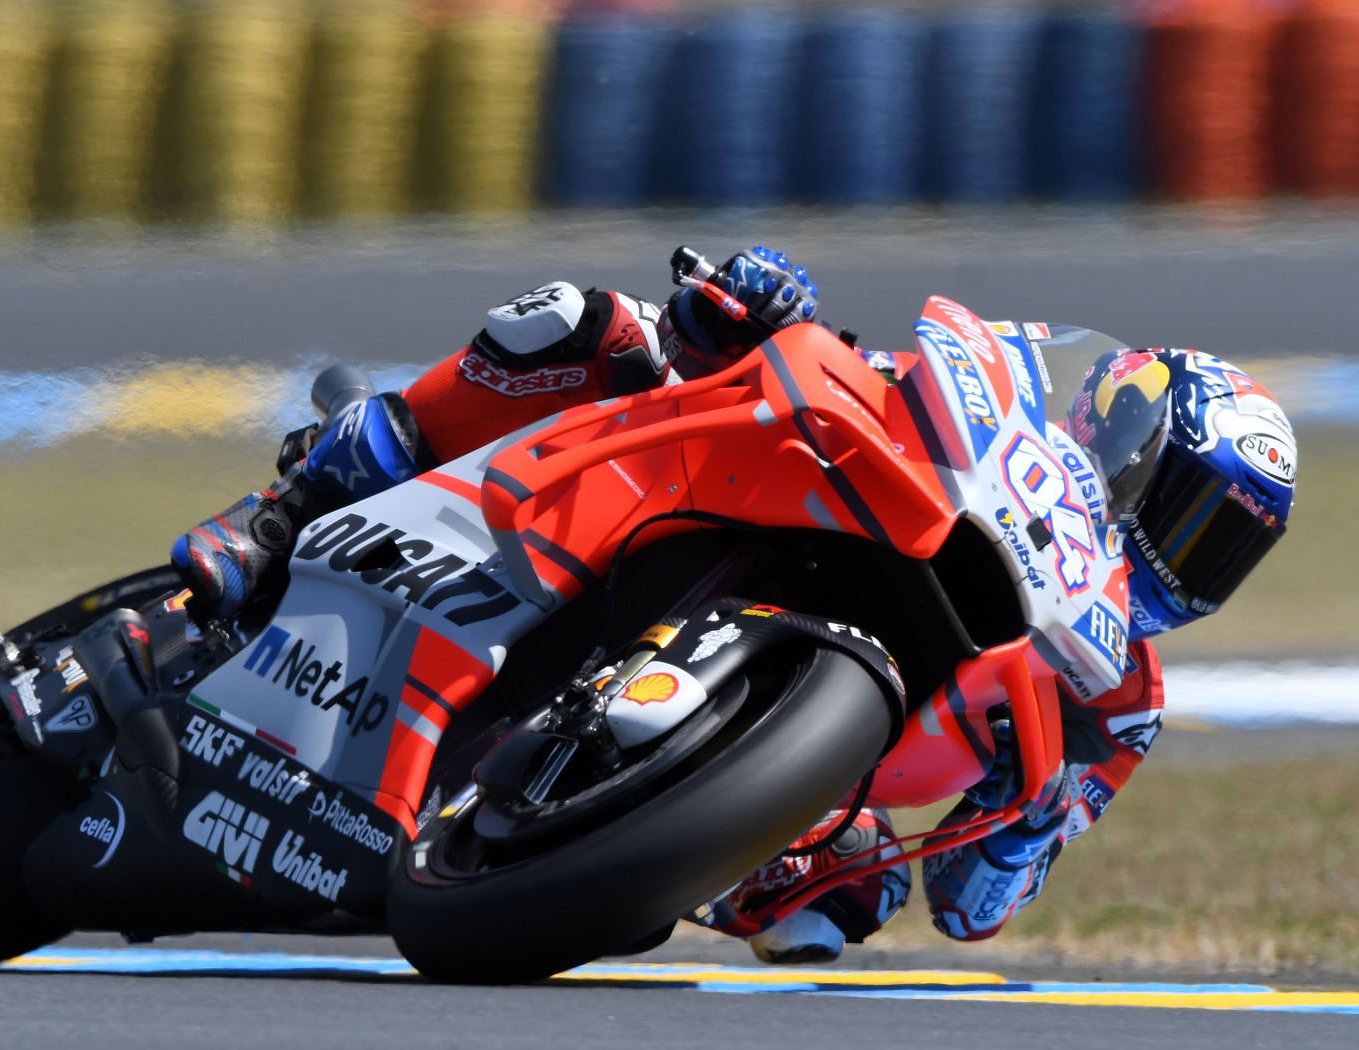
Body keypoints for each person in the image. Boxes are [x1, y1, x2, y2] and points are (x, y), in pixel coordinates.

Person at [170, 247, 1298, 965]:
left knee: (848, 900)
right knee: (585, 325)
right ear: (1121, 429)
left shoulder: (1115, 704)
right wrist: (742, 314)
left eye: (1223, 550)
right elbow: (840, 374)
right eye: (1187, 513)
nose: (1185, 561)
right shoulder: (1001, 430)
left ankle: (583, 847)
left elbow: (968, 909)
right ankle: (285, 510)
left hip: (787, 794)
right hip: (735, 527)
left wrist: (1029, 821)